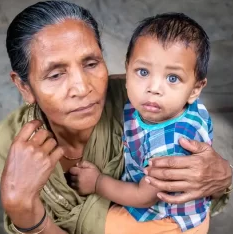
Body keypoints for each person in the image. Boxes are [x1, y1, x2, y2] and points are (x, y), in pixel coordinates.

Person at [0, 1, 233, 234]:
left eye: (91, 64)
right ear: (24, 87)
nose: (82, 88)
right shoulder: (7, 143)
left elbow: (197, 178)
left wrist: (225, 175)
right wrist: (20, 207)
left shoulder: (142, 106)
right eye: (55, 75)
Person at [69, 13, 214, 234]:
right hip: (156, 198)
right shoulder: (161, 105)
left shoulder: (172, 145)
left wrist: (97, 182)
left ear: (195, 89)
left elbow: (142, 197)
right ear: (128, 70)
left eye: (172, 78)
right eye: (143, 72)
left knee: (90, 225)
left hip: (169, 221)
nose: (153, 88)